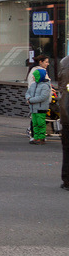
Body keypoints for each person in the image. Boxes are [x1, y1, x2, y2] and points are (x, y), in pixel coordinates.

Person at [26, 67, 52, 145]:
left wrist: (30, 100)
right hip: (33, 108)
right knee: (35, 124)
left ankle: (41, 138)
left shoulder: (45, 86)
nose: (33, 77)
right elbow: (27, 93)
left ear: (39, 76)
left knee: (41, 124)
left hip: (41, 108)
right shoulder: (33, 85)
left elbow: (43, 97)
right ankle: (36, 137)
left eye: (34, 76)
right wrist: (28, 98)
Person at [59, 55, 69, 189]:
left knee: (67, 149)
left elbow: (63, 89)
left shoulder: (64, 62)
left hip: (66, 114)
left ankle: (66, 179)